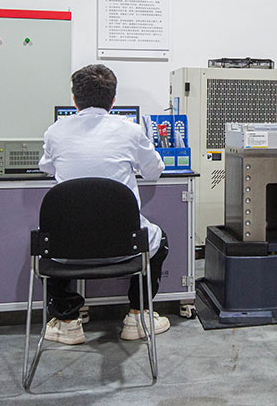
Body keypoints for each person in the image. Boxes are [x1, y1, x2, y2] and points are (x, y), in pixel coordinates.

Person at [37, 64, 169, 345]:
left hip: (65, 249)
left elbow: (46, 167)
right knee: (160, 240)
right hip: (124, 246)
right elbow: (154, 171)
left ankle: (67, 321)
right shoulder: (131, 131)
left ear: (74, 100)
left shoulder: (55, 132)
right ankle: (137, 317)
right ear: (113, 100)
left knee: (47, 240)